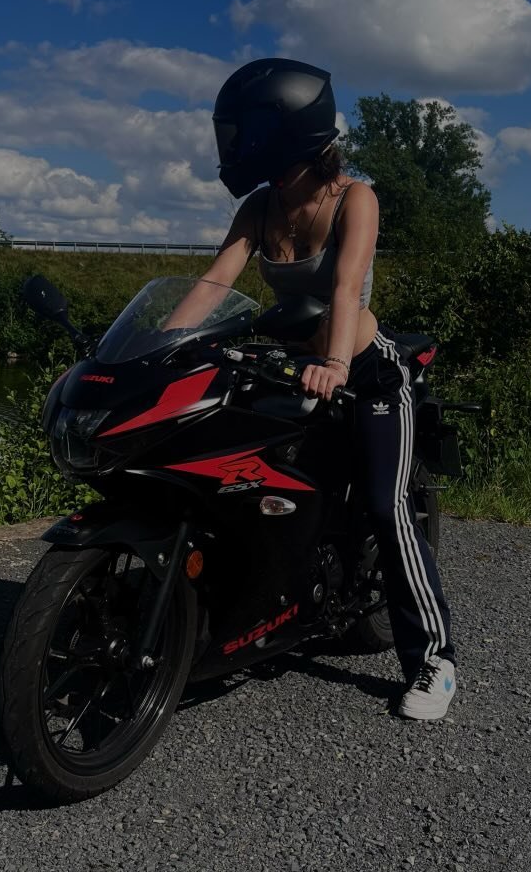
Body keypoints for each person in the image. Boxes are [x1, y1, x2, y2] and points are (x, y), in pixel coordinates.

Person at [191, 57, 457, 720]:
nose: (236, 144)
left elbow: (345, 289)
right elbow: (214, 283)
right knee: (241, 480)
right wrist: (156, 348)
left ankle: (433, 659)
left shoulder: (354, 198)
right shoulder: (261, 206)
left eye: (246, 131)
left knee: (386, 507)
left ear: (284, 132)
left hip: (366, 371)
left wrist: (336, 364)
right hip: (291, 367)